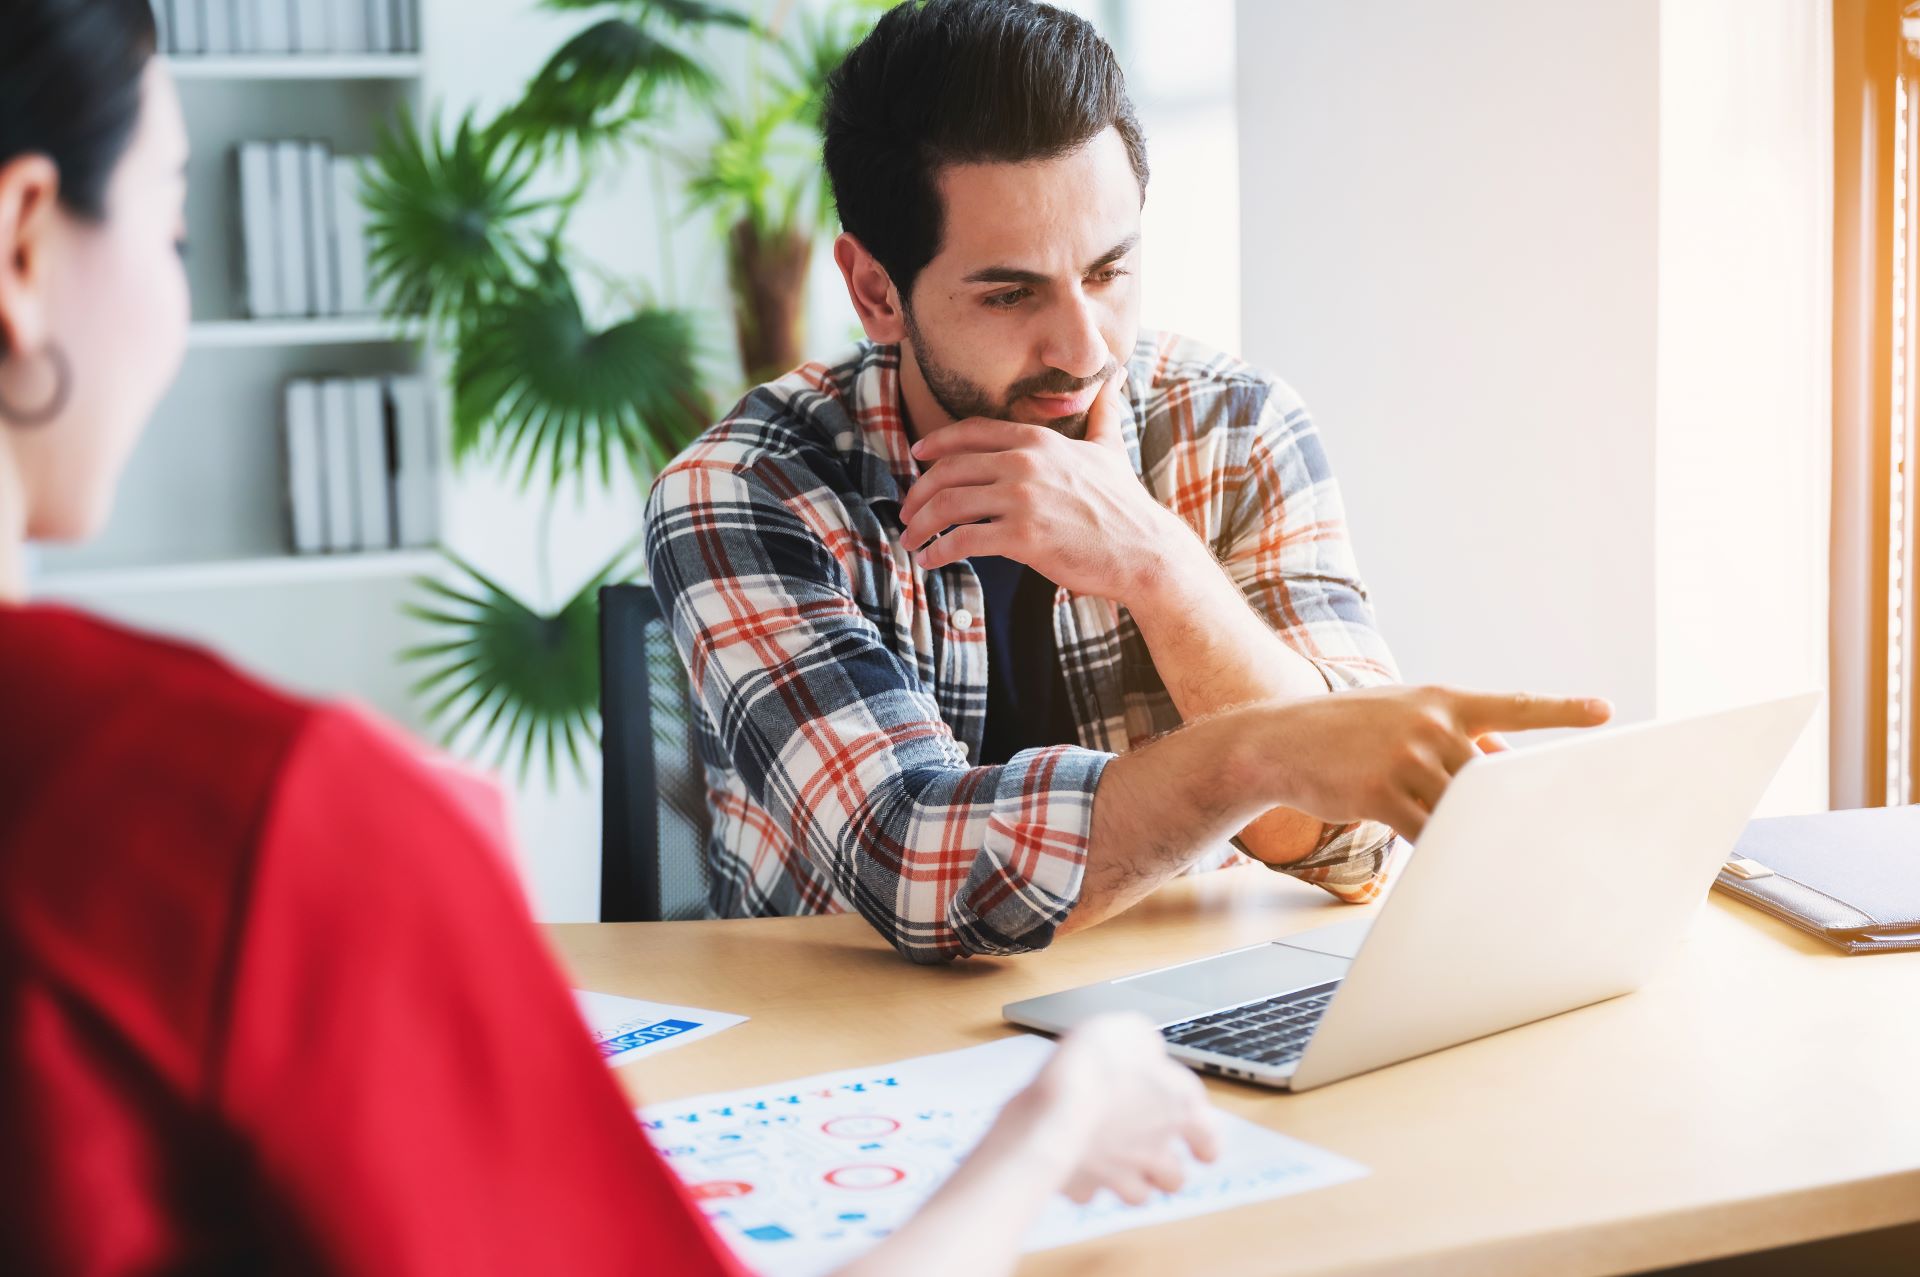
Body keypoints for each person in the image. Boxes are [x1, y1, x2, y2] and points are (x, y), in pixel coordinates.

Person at [0, 2, 1223, 1273]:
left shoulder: (1220, 416)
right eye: (170, 222)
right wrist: (1050, 1131)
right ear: (27, 245)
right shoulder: (257, 817)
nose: (1082, 343)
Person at [644, 0, 1612, 963]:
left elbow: (1350, 843)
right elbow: (923, 870)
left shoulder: (1237, 428)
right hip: (854, 1064)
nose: (1083, 347)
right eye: (1010, 293)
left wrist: (1157, 562)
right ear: (875, 293)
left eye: (1110, 272)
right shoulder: (746, 491)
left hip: (1177, 1043)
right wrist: (1259, 751)